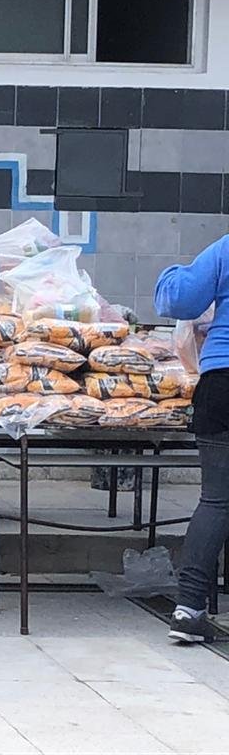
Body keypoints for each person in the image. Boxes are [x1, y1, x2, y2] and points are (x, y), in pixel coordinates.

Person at [156, 239, 229, 644]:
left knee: (216, 500)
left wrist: (170, 273)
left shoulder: (225, 249)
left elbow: (180, 299)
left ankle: (188, 608)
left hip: (222, 384)